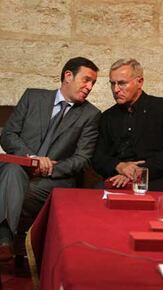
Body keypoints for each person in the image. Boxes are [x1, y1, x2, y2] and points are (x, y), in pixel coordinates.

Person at [0, 57, 101, 261]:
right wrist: (32, 158)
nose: (89, 87)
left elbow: (82, 158)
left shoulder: (91, 114)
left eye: (93, 83)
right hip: (19, 169)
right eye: (86, 80)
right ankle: (5, 241)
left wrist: (49, 168)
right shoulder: (32, 97)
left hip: (52, 180)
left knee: (8, 187)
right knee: (11, 171)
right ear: (68, 76)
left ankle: (4, 238)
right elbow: (9, 134)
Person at [92, 58, 163, 192]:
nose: (116, 89)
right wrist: (120, 166)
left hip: (157, 180)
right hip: (118, 181)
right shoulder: (108, 116)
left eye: (122, 83)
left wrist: (137, 172)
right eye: (112, 84)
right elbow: (98, 157)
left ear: (139, 82)